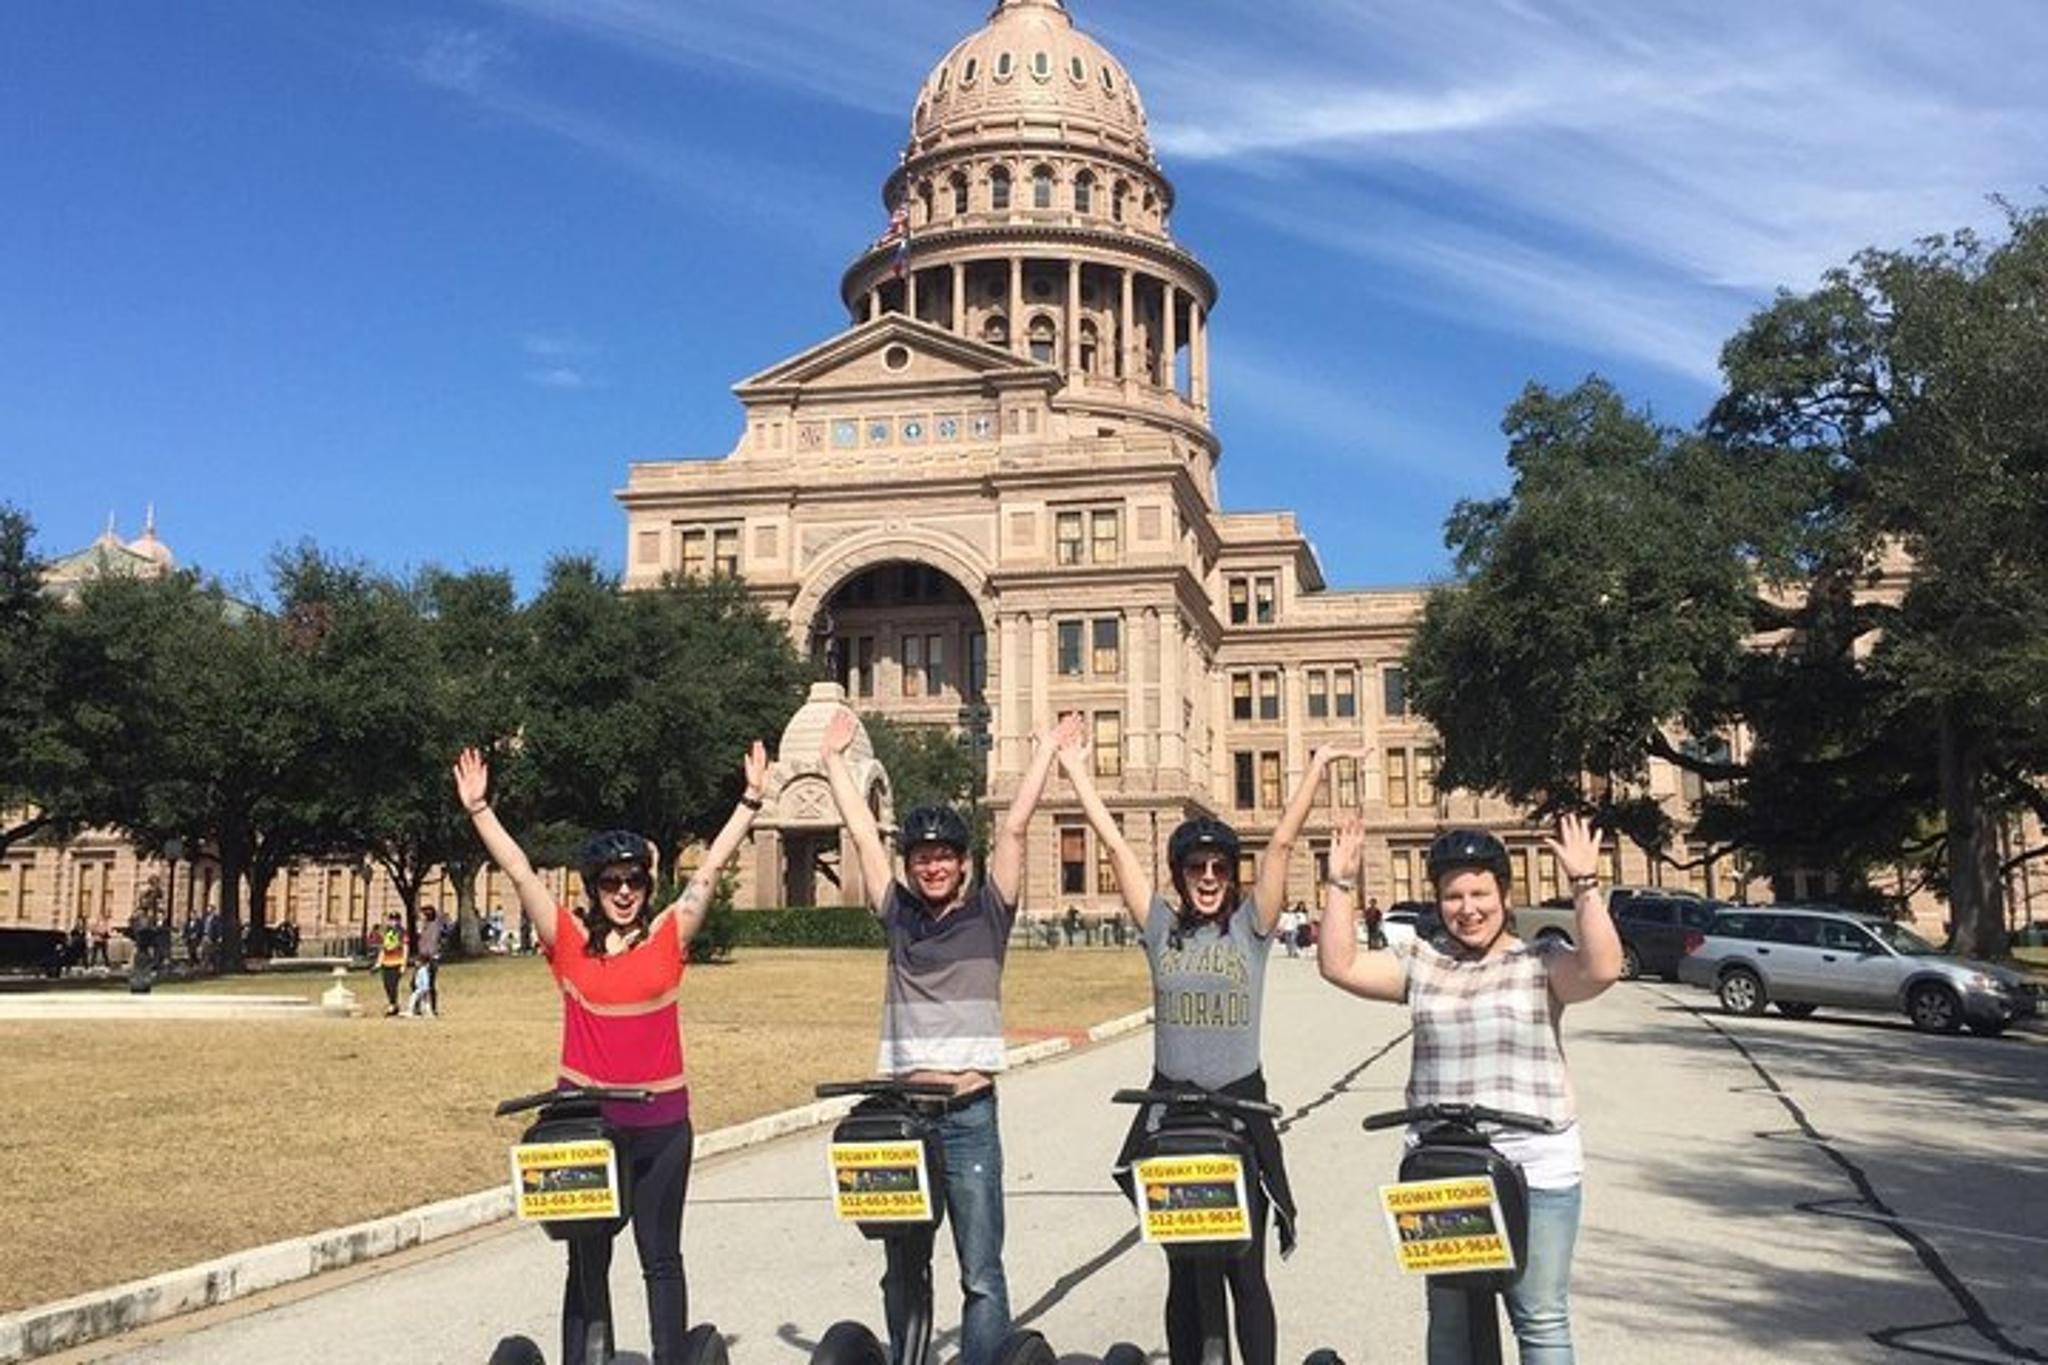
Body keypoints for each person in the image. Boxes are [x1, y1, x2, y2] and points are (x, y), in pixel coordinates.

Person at [454, 739, 770, 1365]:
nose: (623, 892)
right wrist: (481, 810)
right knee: (587, 1259)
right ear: (593, 889)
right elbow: (520, 873)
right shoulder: (568, 942)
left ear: (647, 886)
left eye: (633, 881)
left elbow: (708, 872)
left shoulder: (667, 938)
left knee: (660, 1258)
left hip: (661, 1129)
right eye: (610, 883)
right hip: (589, 1131)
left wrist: (751, 802)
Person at [1060, 733, 1357, 1365]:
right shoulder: (1161, 930)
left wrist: (1317, 768)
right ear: (1181, 875)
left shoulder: (1251, 929)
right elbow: (1114, 844)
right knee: (1182, 1269)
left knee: (1245, 1272)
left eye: (1220, 869)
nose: (1210, 879)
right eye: (1198, 869)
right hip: (1173, 1121)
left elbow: (1279, 843)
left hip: (1238, 1117)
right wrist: (1076, 772)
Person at [1317, 812, 1618, 1365]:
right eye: (1454, 896)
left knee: (1540, 1318)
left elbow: (1601, 969)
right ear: (1438, 901)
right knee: (1450, 1320)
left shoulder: (1540, 963)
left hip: (1534, 1160)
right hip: (1443, 1164)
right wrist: (1339, 883)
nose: (1468, 908)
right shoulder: (1422, 964)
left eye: (1480, 892)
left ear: (1504, 894)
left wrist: (1585, 885)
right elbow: (1339, 965)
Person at [818, 707, 1070, 1365]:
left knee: (981, 1269)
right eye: (922, 857)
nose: (932, 866)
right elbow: (863, 833)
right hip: (902, 1116)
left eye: (944, 856)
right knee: (903, 1266)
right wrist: (833, 762)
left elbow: (1014, 826)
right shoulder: (897, 913)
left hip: (968, 1114)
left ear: (963, 863)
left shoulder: (990, 913)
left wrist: (1044, 750)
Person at [372, 912, 407, 1016]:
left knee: (393, 985)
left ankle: (393, 1005)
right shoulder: (387, 932)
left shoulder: (402, 932)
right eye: (391, 920)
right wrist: (378, 963)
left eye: (396, 919)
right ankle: (393, 1004)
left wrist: (403, 964)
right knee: (386, 985)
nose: (394, 922)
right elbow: (383, 949)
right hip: (386, 962)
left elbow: (405, 948)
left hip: (397, 962)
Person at [415, 905, 447, 1015]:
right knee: (416, 983)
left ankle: (432, 1008)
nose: (420, 917)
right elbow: (421, 942)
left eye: (423, 915)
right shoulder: (424, 927)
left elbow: (432, 944)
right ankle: (417, 1007)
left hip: (430, 958)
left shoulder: (434, 926)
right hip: (422, 957)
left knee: (429, 984)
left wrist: (429, 957)